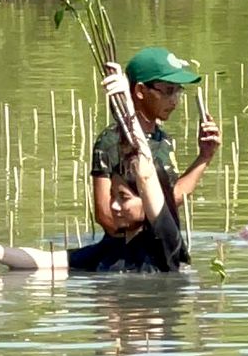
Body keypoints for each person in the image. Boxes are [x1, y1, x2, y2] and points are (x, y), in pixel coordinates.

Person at [0, 65, 188, 273]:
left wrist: (126, 104)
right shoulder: (109, 250)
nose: (113, 205)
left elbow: (145, 174)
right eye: (114, 195)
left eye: (123, 197)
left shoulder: (165, 243)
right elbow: (45, 261)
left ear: (147, 201)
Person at [90, 46, 220, 234]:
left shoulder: (162, 139)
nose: (175, 100)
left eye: (178, 91)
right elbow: (104, 214)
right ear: (141, 90)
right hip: (125, 251)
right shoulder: (112, 141)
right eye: (168, 91)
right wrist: (141, 247)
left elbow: (171, 198)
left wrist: (205, 156)